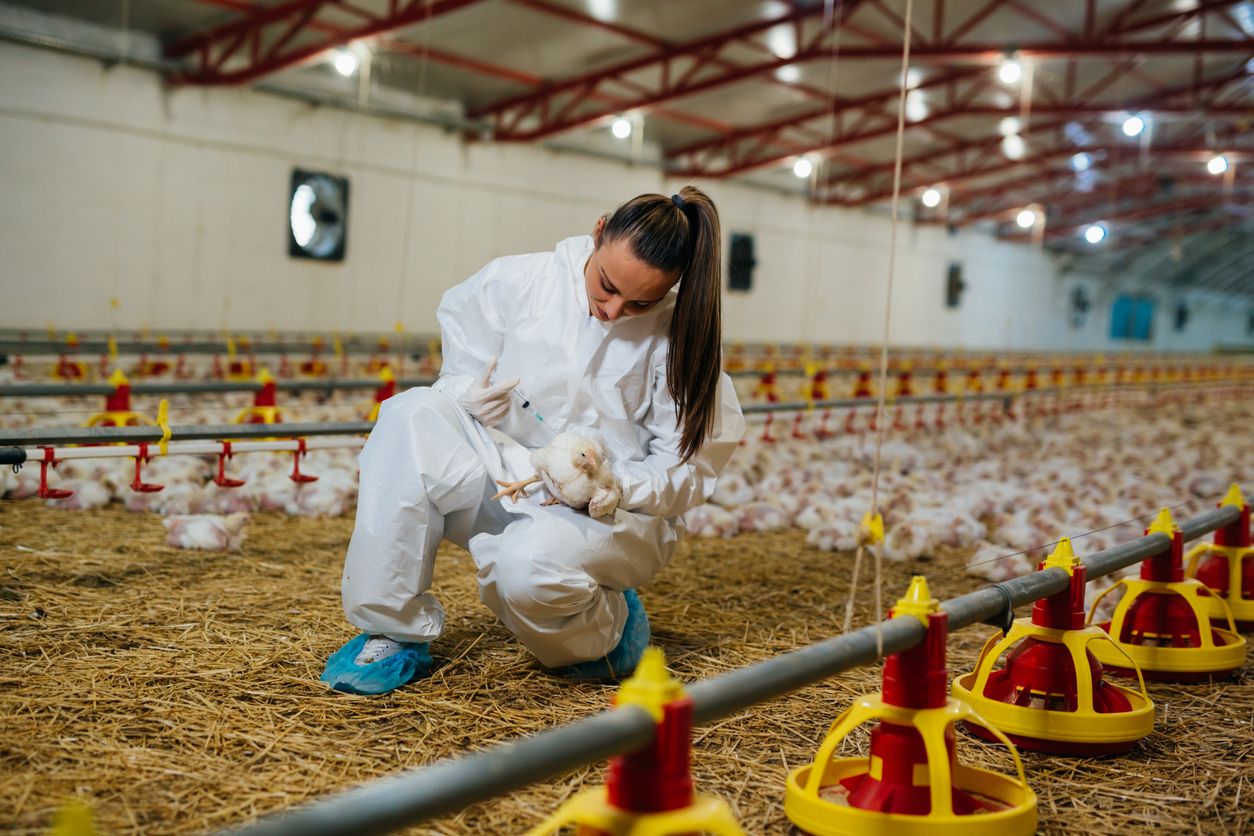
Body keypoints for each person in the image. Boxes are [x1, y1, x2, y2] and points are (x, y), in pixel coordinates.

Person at [320, 186, 746, 695]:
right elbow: (460, 370)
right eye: (607, 286)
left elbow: (687, 467)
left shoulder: (680, 340)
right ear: (598, 232)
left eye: (640, 302)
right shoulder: (516, 283)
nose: (613, 310)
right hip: (507, 474)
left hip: (605, 514)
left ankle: (604, 631)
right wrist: (467, 396)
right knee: (408, 415)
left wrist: (613, 485)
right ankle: (391, 629)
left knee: (526, 572)